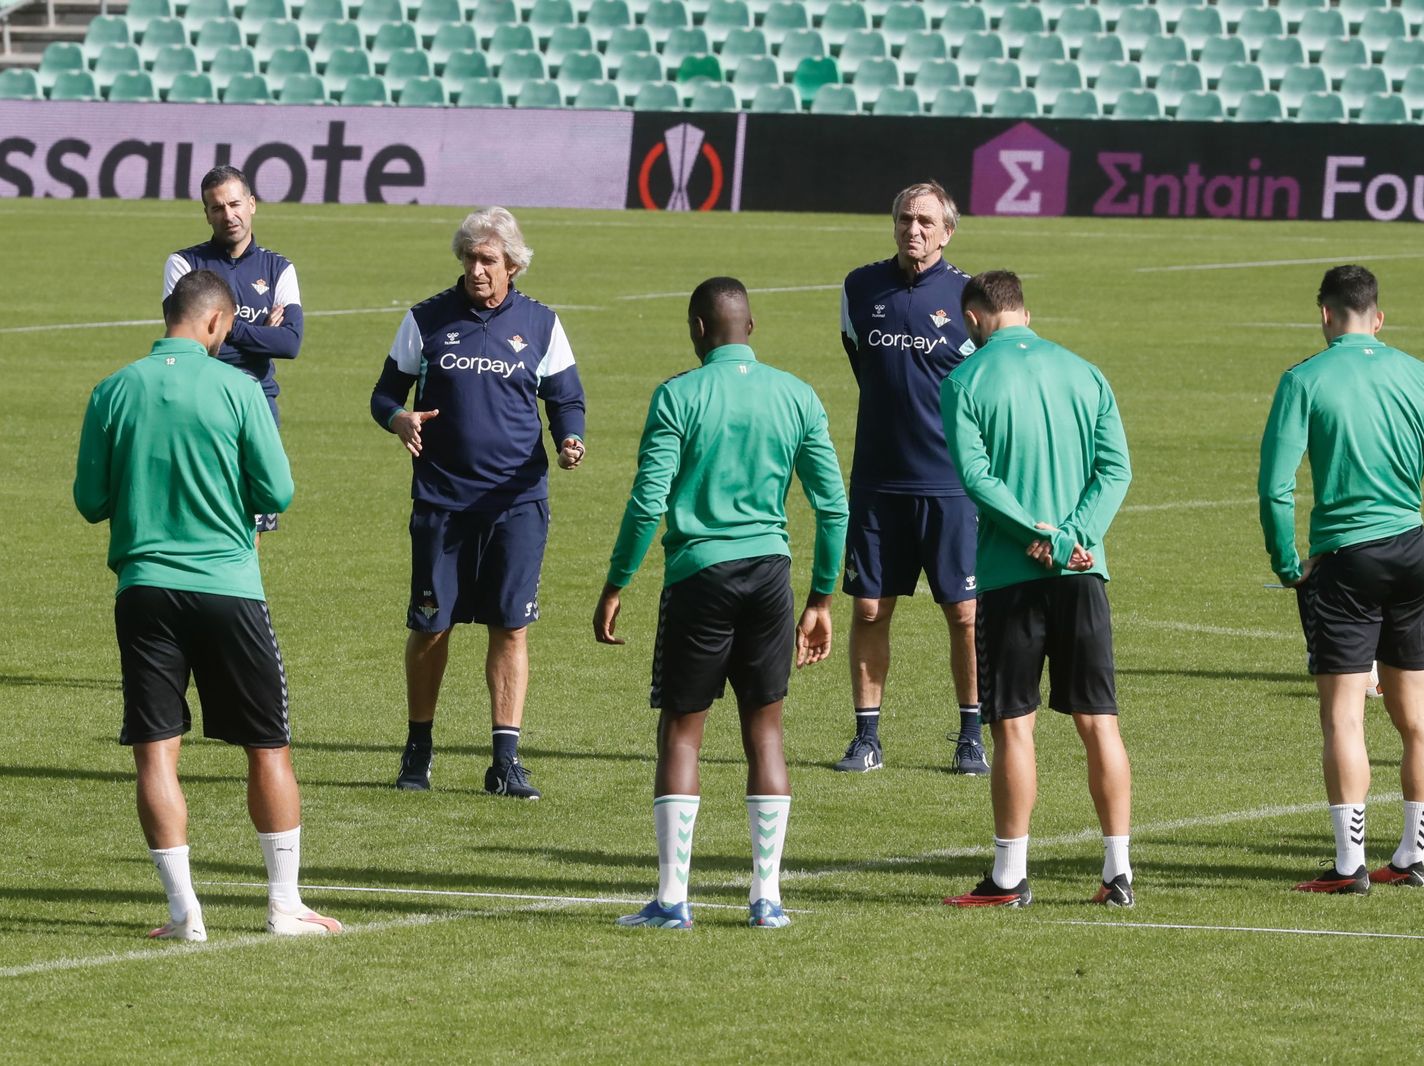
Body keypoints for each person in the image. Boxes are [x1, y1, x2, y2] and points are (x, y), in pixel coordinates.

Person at [73, 270, 340, 940]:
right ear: (218, 323)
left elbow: (90, 501)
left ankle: (184, 912)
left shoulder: (114, 390)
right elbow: (276, 492)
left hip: (144, 591)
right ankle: (284, 906)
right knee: (267, 747)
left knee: (156, 754)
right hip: (227, 588)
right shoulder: (239, 389)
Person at [594, 277, 848, 930]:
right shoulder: (797, 395)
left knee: (682, 731)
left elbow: (649, 501)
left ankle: (673, 900)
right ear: (751, 328)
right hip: (770, 577)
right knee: (765, 732)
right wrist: (821, 595)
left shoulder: (678, 395)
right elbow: (832, 505)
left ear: (698, 329)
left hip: (698, 578)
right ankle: (767, 899)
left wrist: (617, 581)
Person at [1259, 265, 1424, 894]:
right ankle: (1411, 858)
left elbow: (1276, 487)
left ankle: (1348, 865)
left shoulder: (1303, 379)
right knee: (1413, 713)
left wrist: (1286, 564)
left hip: (1344, 559)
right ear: (1379, 318)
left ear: (1325, 315)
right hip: (1410, 552)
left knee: (1343, 718)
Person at [370, 206, 586, 799]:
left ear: (513, 265)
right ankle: (418, 750)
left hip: (517, 504)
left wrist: (571, 438)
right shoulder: (426, 320)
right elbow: (385, 392)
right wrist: (398, 418)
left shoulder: (542, 325)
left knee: (510, 627)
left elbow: (565, 398)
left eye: (489, 260)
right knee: (432, 626)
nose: (477, 269)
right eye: (469, 258)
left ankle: (505, 761)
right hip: (441, 500)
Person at [937, 271, 1136, 910]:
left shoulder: (964, 380)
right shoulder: (1085, 372)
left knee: (1013, 728)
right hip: (1083, 569)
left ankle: (1009, 877)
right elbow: (1116, 469)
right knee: (1099, 722)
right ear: (1025, 311)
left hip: (1011, 575)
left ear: (973, 320)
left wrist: (1035, 532)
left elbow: (974, 474)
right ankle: (1118, 870)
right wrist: (1076, 534)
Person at [835, 179, 986, 777]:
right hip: (877, 483)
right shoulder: (858, 286)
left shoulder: (968, 296)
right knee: (870, 609)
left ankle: (971, 735)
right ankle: (866, 737)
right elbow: (862, 365)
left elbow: (986, 390)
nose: (913, 230)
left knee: (965, 615)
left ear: (948, 231)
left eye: (925, 221)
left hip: (951, 485)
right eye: (904, 219)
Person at [164, 165, 303, 538]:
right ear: (206, 214)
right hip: (198, 403)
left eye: (235, 204)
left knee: (253, 523)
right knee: (194, 513)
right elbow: (185, 336)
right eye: (217, 208)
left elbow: (289, 343)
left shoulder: (279, 268)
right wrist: (258, 333)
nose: (228, 215)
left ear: (252, 204)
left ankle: (245, 597)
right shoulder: (183, 264)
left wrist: (223, 326)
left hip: (257, 407)